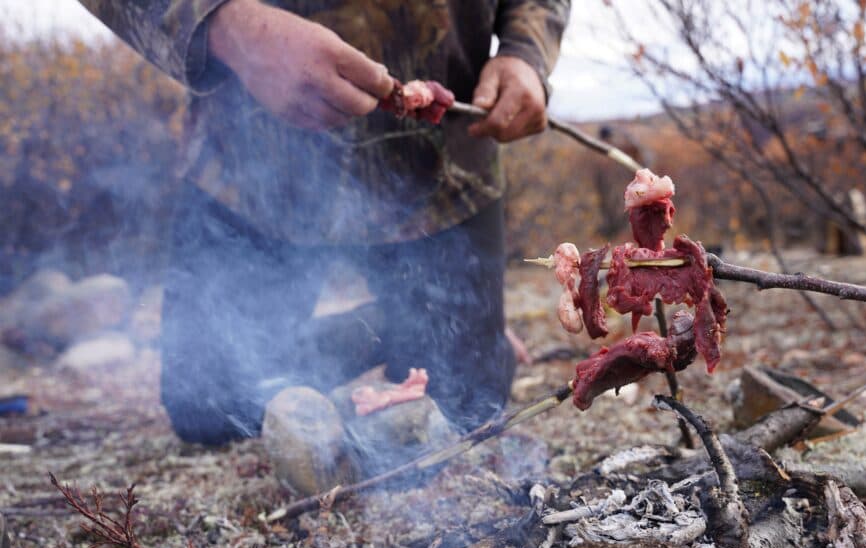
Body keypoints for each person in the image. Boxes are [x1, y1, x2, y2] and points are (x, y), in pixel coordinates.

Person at [77, 1, 571, 461]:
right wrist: (231, 25)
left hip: (443, 178)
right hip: (250, 170)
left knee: (469, 401)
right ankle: (397, 322)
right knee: (208, 409)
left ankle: (454, 326)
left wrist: (525, 51)